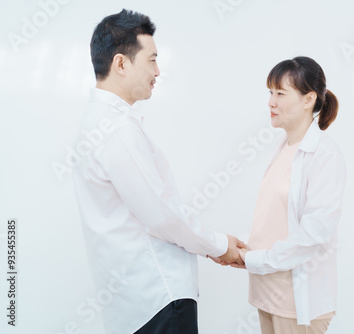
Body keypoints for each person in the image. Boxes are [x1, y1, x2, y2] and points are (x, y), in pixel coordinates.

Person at [72, 9, 244, 334]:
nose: (158, 71)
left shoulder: (96, 122)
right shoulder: (115, 128)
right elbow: (162, 214)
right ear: (121, 64)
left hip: (137, 304)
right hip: (158, 300)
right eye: (151, 60)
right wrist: (219, 246)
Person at [226, 56, 347, 334]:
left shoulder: (325, 155)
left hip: (297, 303)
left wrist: (253, 259)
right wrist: (248, 251)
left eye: (281, 93)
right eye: (270, 92)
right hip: (267, 293)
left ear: (308, 99)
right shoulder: (283, 147)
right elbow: (274, 218)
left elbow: (315, 234)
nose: (271, 102)